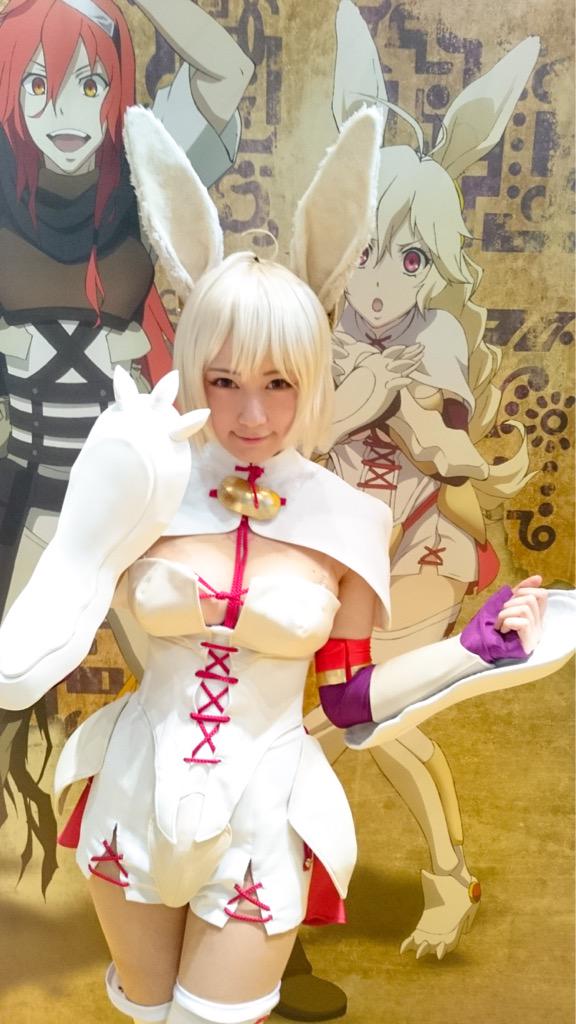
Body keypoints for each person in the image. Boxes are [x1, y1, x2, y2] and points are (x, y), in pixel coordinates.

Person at [0, 106, 567, 1024]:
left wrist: (473, 650)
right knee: (144, 1014)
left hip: (262, 812)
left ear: (312, 376)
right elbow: (31, 647)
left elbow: (348, 701)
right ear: (192, 365)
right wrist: (95, 499)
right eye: (224, 380)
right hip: (132, 795)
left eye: (279, 383)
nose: (252, 415)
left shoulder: (347, 517)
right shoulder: (148, 482)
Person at [302, 0, 540, 964]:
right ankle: (413, 871)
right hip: (337, 554)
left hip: (419, 546)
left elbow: (442, 449)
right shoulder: (320, 320)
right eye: (366, 248)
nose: (380, 282)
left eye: (408, 257)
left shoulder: (436, 337)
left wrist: (410, 423)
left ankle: (433, 875)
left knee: (367, 715)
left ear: (434, 264)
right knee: (357, 718)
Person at [0, 0, 253, 889]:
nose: (64, 113)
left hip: (142, 495)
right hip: (30, 487)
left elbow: (228, 73)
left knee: (199, 696)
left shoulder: (143, 160)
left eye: (88, 84)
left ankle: (234, 887)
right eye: (38, 84)